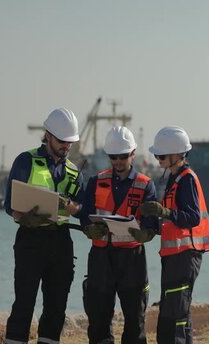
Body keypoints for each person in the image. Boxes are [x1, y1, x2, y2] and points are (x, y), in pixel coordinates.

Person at [3, 107, 85, 344]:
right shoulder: (26, 161)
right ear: (47, 135)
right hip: (31, 240)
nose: (66, 146)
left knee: (56, 306)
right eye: (62, 141)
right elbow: (9, 204)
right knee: (24, 304)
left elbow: (83, 210)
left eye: (70, 142)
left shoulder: (74, 172)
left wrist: (75, 209)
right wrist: (22, 217)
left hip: (61, 242)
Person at [79, 126, 159, 344]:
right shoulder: (95, 181)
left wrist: (147, 234)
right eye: (113, 157)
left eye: (123, 156)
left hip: (132, 258)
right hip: (101, 257)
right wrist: (89, 228)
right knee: (98, 319)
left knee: (135, 320)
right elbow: (85, 216)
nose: (118, 161)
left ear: (132, 154)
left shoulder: (145, 185)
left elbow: (152, 223)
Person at [139, 126, 209, 344]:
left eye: (161, 155)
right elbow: (174, 222)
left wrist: (165, 212)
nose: (158, 159)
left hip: (185, 256)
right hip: (175, 255)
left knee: (176, 313)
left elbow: (192, 218)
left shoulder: (186, 179)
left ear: (177, 155)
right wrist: (152, 227)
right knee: (175, 310)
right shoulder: (175, 178)